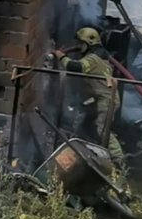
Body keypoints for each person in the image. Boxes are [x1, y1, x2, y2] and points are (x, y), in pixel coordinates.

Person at [53, 26, 125, 164]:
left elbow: (75, 67)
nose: (79, 47)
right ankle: (90, 153)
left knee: (103, 130)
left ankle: (118, 162)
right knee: (83, 123)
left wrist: (60, 56)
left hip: (106, 100)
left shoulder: (93, 59)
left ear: (89, 43)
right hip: (98, 98)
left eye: (81, 43)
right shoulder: (98, 55)